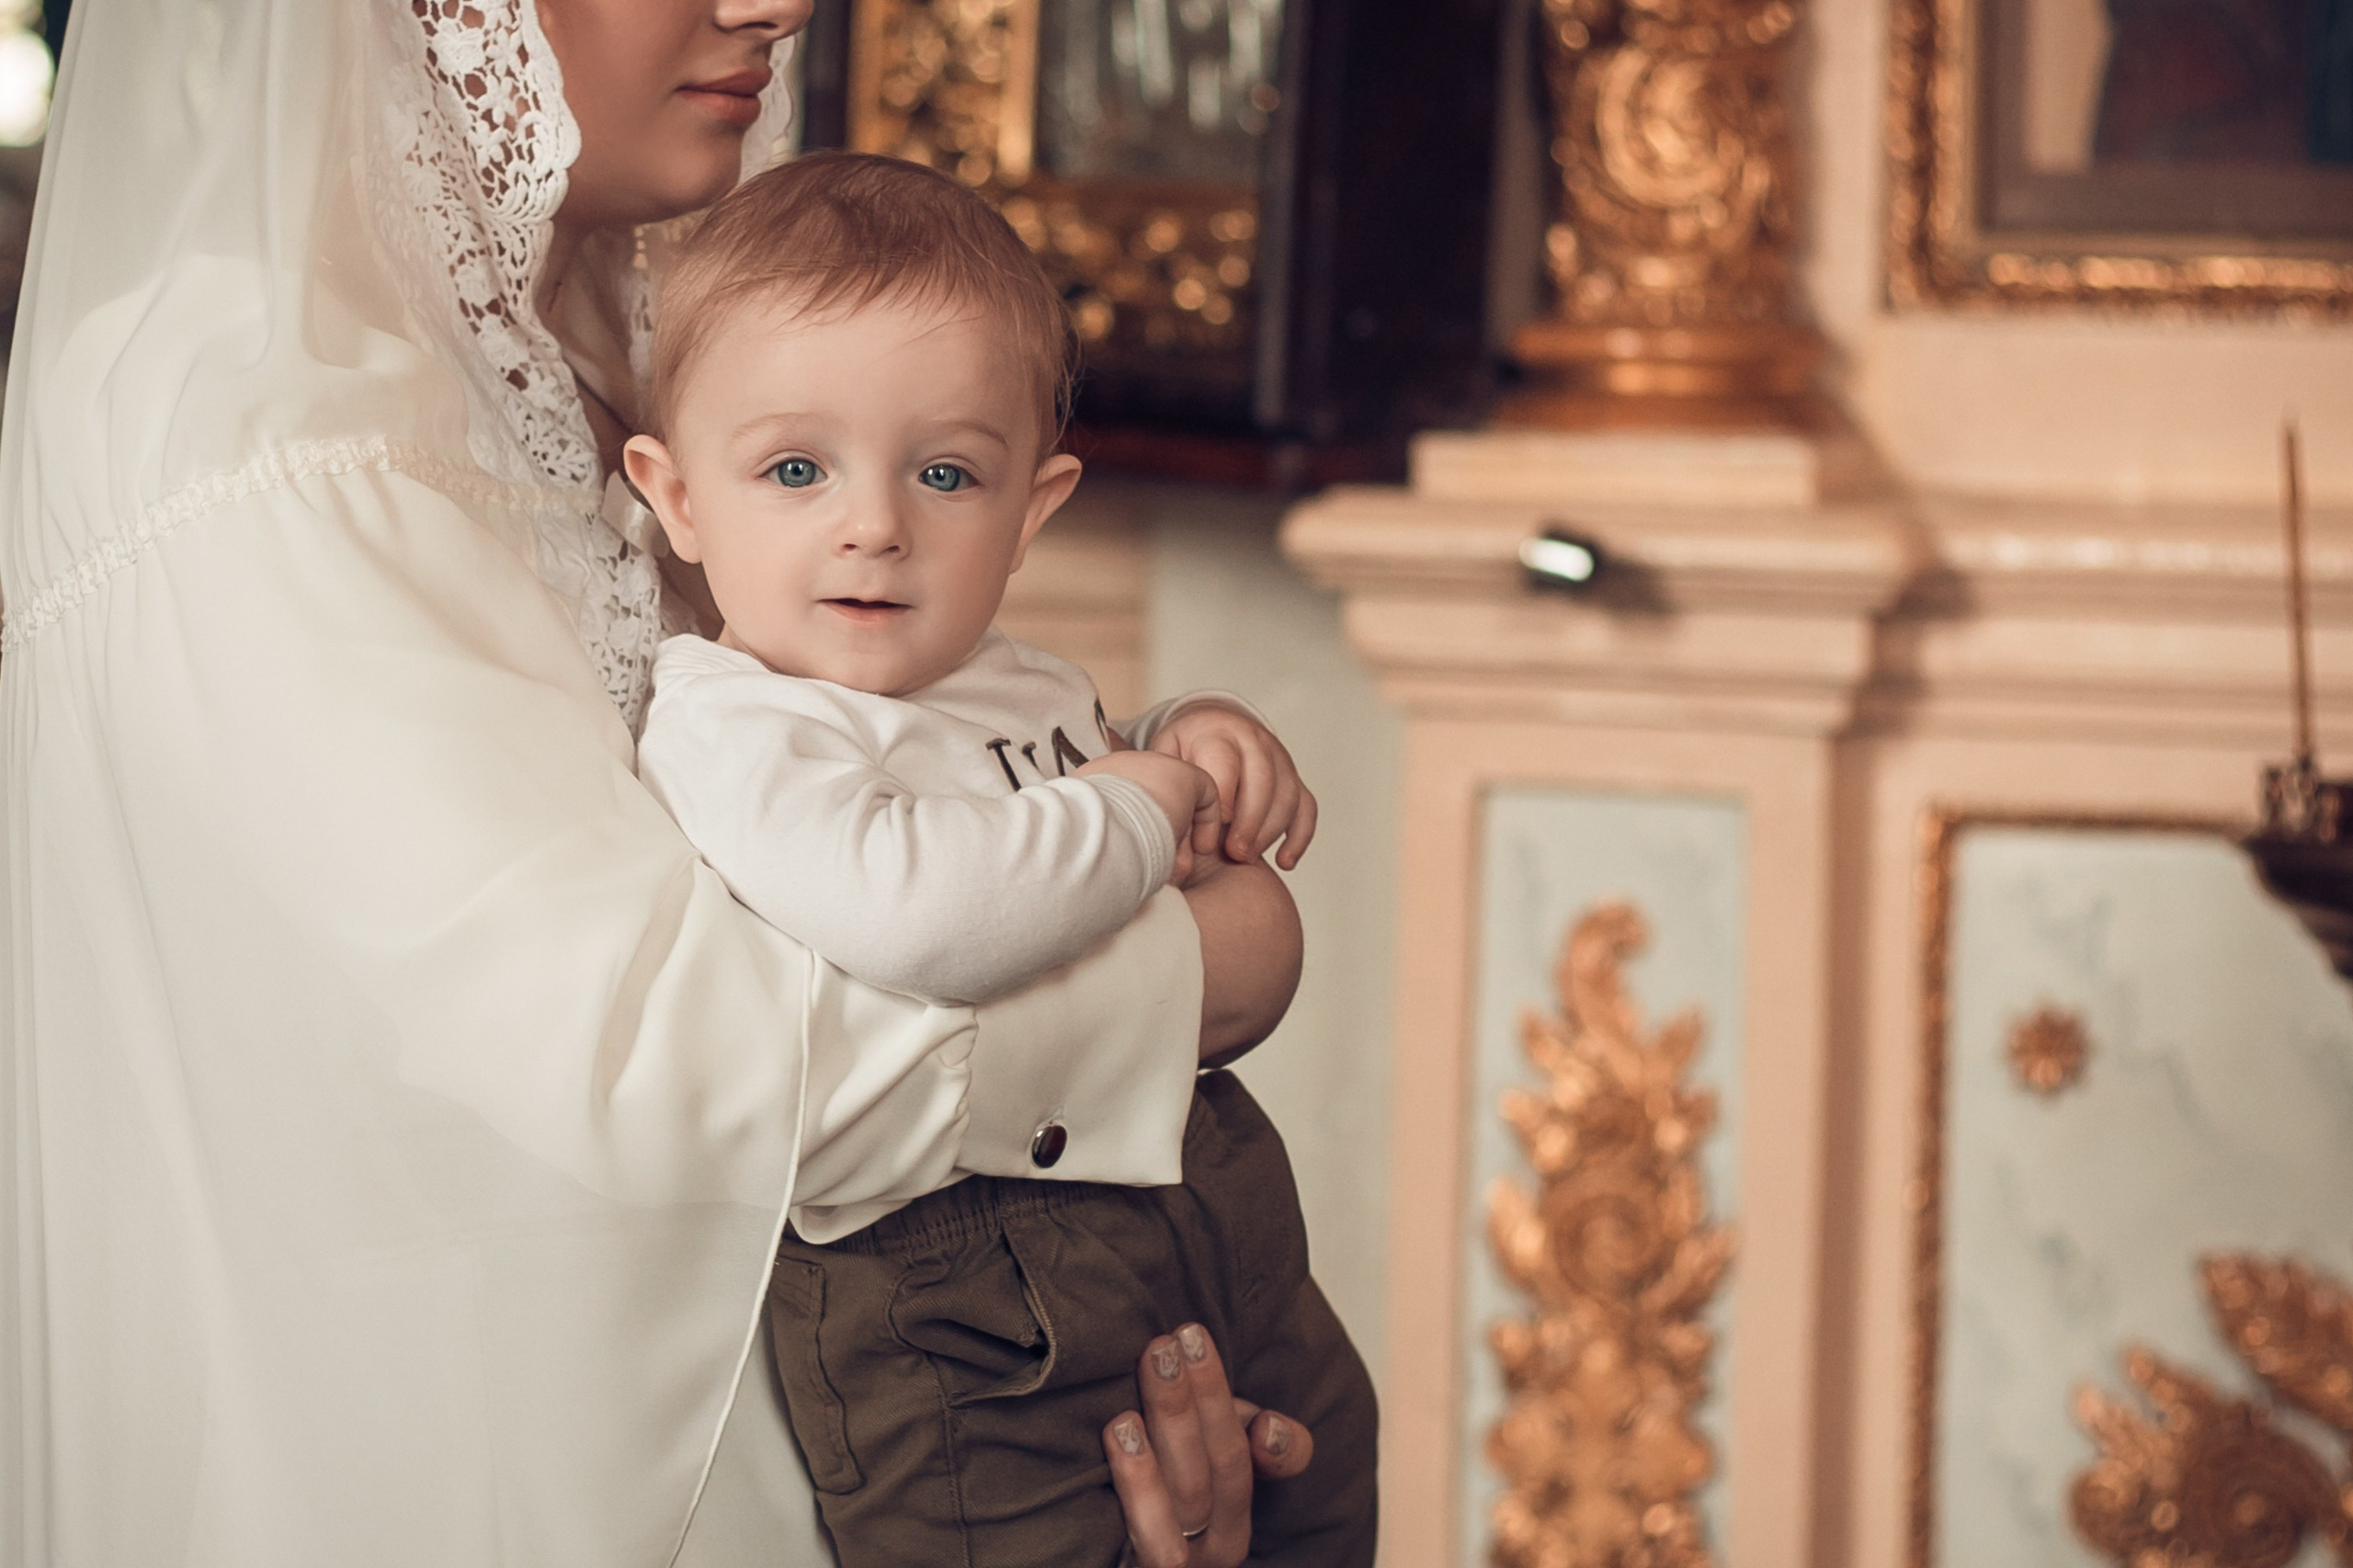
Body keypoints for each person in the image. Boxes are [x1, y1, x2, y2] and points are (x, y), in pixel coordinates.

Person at [0, 3, 1327, 1564]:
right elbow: (662, 1059)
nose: (777, 3)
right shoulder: (250, 426)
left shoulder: (618, 355)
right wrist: (1200, 970)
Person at [623, 153, 1378, 1566]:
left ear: (1033, 508)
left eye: (946, 473)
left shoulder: (1006, 675)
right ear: (676, 499)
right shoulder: (738, 722)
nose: (874, 523)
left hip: (1193, 1186)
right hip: (963, 1294)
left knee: (1325, 1482)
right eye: (796, 468)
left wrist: (1181, 738)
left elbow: (1075, 785)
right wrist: (1148, 807)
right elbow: (924, 913)